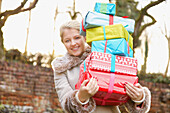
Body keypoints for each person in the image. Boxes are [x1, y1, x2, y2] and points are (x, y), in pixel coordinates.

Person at [51, 20, 151, 113]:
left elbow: (124, 89)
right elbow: (66, 104)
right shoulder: (61, 68)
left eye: (77, 38)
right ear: (63, 43)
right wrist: (80, 97)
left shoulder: (104, 55)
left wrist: (139, 98)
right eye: (67, 40)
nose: (73, 43)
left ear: (85, 37)